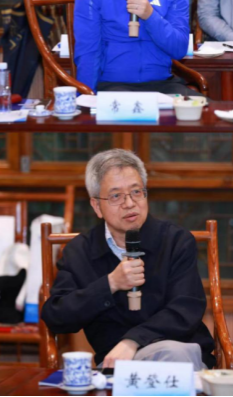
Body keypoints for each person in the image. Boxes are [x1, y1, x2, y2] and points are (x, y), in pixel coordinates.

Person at [41, 149, 215, 370]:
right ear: (97, 206)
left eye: (136, 192)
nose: (130, 203)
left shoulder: (176, 241)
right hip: (118, 365)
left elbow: (186, 309)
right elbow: (57, 316)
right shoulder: (80, 251)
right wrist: (110, 284)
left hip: (179, 355)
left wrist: (132, 341)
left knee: (173, 355)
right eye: (116, 196)